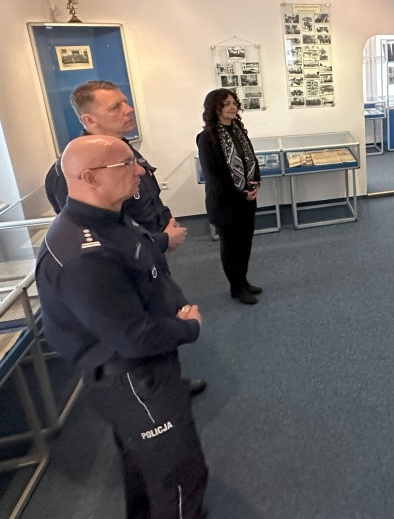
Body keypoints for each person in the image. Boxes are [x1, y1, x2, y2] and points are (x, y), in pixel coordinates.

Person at [35, 135, 208, 519]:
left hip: (141, 367)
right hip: (132, 376)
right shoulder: (83, 256)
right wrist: (189, 328)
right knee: (180, 475)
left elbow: (141, 263)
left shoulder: (110, 217)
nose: (141, 170)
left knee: (144, 463)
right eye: (127, 164)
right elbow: (134, 337)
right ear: (90, 177)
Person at [45, 80, 187, 255]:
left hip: (151, 251)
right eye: (115, 107)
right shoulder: (70, 171)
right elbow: (91, 232)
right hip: (125, 259)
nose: (129, 110)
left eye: (125, 102)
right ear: (89, 119)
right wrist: (161, 241)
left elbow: (147, 198)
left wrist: (166, 223)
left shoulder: (124, 150)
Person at [196, 90, 262, 305]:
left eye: (234, 103)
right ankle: (236, 287)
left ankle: (243, 281)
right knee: (231, 246)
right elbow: (213, 176)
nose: (232, 107)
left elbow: (251, 160)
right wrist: (240, 195)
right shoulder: (206, 138)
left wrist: (255, 184)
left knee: (245, 243)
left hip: (247, 200)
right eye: (226, 104)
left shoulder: (238, 130)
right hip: (225, 203)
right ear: (215, 108)